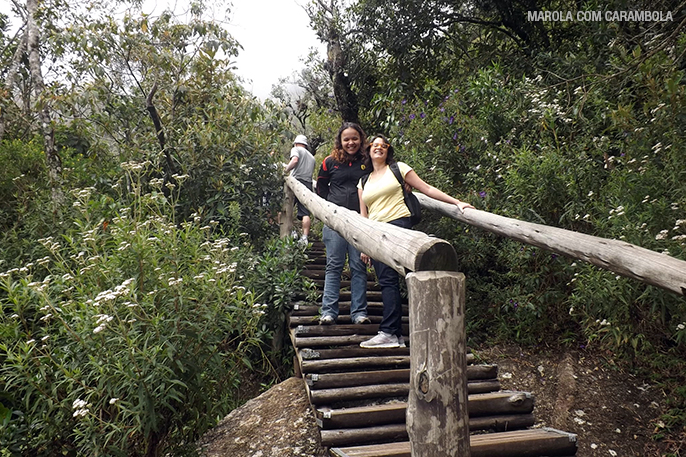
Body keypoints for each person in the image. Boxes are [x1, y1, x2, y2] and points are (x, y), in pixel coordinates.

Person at [358, 134, 474, 348]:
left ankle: (393, 332)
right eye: (375, 145)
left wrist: (457, 202)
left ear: (387, 150)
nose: (379, 148)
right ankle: (394, 334)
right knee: (387, 281)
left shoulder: (399, 168)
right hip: (375, 232)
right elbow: (364, 215)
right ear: (368, 150)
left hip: (398, 225)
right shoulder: (363, 181)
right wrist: (364, 244)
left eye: (383, 145)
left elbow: (426, 188)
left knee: (402, 277)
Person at [316, 123, 372, 325]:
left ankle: (359, 313)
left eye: (354, 138)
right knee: (334, 265)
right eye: (346, 139)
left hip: (360, 220)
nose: (351, 143)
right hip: (335, 221)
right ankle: (328, 312)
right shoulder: (330, 162)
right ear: (340, 141)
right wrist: (328, 210)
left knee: (358, 266)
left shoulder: (368, 161)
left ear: (361, 139)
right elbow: (321, 187)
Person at [285, 134, 316, 245]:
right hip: (307, 184)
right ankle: (304, 237)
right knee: (305, 212)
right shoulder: (312, 157)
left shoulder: (296, 149)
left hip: (295, 182)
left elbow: (295, 160)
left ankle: (292, 231)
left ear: (296, 143)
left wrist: (286, 170)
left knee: (286, 209)